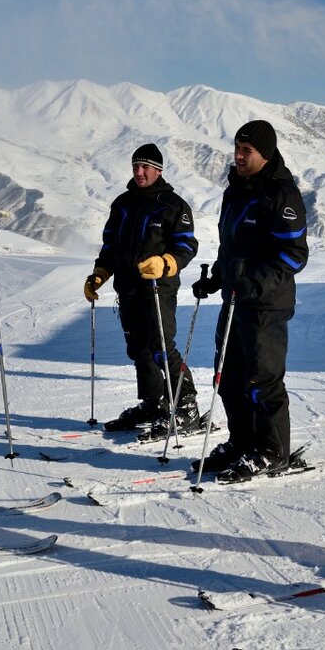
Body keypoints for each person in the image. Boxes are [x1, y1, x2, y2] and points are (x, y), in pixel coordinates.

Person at [191, 120, 308, 481]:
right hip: (235, 298)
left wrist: (252, 282)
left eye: (247, 151)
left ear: (265, 154)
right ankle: (243, 442)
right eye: (237, 149)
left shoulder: (280, 194)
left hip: (266, 304)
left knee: (262, 380)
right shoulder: (236, 190)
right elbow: (233, 248)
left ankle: (272, 450)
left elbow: (294, 255)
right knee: (228, 377)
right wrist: (217, 279)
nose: (239, 157)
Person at [85, 144, 201, 439]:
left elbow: (187, 246)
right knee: (138, 348)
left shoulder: (173, 205)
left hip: (157, 289)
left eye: (145, 167)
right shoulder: (122, 204)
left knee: (162, 348)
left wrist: (166, 262)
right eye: (136, 166)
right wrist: (100, 273)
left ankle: (186, 406)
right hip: (128, 288)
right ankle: (154, 403)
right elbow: (110, 246)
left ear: (159, 170)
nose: (139, 172)